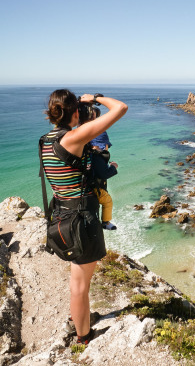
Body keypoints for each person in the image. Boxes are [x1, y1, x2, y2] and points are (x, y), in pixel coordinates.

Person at [41, 89, 128, 345]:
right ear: (75, 112)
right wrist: (97, 97)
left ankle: (81, 319)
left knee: (77, 279)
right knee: (80, 285)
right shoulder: (74, 138)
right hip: (80, 219)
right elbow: (120, 108)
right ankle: (84, 336)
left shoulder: (46, 139)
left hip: (61, 215)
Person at [90, 130, 118, 231]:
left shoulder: (90, 155)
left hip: (88, 187)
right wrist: (113, 167)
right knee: (107, 201)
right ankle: (106, 222)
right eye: (106, 145)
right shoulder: (97, 158)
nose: (106, 148)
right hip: (95, 189)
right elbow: (104, 174)